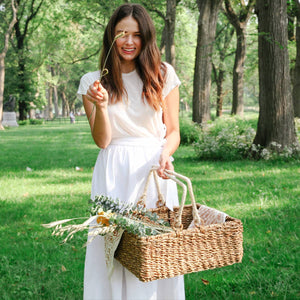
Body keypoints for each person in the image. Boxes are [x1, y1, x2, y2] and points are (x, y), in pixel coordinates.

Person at [77, 4, 184, 300]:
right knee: (111, 248)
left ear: (146, 38)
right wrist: (100, 105)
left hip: (154, 169)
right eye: (122, 33)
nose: (128, 41)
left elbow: (174, 131)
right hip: (113, 171)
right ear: (111, 35)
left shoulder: (162, 74)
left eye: (136, 35)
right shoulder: (93, 81)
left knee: (155, 249)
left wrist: (165, 153)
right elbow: (102, 141)